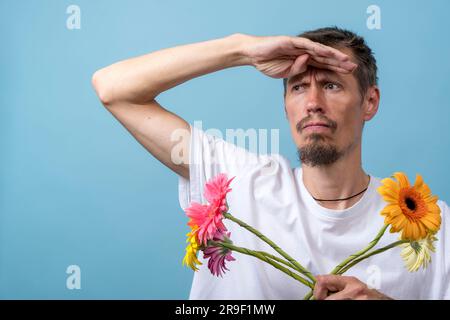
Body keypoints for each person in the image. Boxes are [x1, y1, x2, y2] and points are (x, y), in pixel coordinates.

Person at [91, 26, 449, 300]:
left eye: (331, 85)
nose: (312, 102)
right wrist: (241, 49)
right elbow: (114, 89)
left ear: (369, 102)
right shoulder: (237, 182)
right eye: (297, 87)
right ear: (285, 107)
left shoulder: (434, 226)